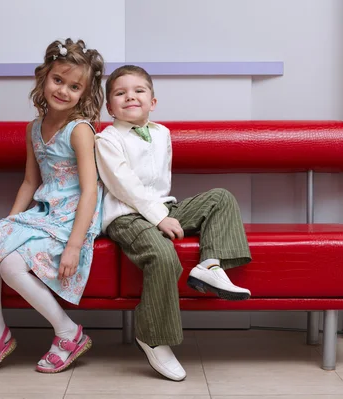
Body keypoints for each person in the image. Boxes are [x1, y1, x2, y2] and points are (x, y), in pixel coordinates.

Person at [95, 65, 252, 381]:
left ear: (153, 101)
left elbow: (158, 186)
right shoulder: (107, 138)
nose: (130, 97)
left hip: (163, 209)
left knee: (220, 197)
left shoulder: (162, 133)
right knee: (164, 256)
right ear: (110, 107)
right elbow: (124, 185)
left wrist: (165, 214)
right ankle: (153, 336)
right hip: (125, 216)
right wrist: (158, 218)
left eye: (139, 91)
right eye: (120, 93)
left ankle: (209, 266)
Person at [0, 38, 105, 376]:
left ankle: (69, 333)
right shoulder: (33, 129)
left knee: (10, 265)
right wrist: (7, 226)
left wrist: (74, 245)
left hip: (70, 220)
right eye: (58, 80)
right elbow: (29, 182)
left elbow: (89, 191)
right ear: (44, 78)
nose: (64, 90)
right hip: (42, 214)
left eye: (74, 86)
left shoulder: (79, 130)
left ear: (84, 93)